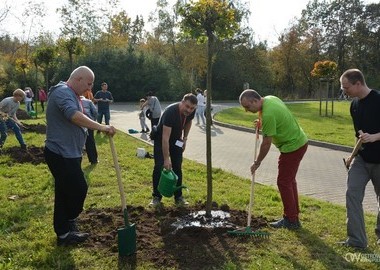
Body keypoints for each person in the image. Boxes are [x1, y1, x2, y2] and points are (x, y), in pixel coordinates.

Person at [44, 66, 116, 246]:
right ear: (78, 79)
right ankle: (69, 220)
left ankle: (63, 233)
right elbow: (74, 116)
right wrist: (101, 127)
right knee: (78, 188)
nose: (90, 89)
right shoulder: (62, 93)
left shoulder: (73, 94)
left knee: (63, 192)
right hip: (60, 153)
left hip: (70, 153)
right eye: (89, 84)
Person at [239, 89, 308, 229]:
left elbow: (266, 143)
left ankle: (291, 220)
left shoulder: (268, 114)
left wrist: (257, 162)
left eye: (247, 106)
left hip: (292, 147)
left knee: (283, 182)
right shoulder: (270, 99)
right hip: (300, 141)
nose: (246, 110)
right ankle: (293, 214)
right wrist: (261, 122)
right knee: (289, 180)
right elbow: (275, 118)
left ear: (254, 101)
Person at [339, 69, 380, 249]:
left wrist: (376, 137)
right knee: (352, 195)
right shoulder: (354, 105)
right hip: (362, 159)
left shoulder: (378, 100)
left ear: (358, 83)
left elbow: (370, 136)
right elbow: (360, 136)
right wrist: (351, 156)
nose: (343, 90)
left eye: (346, 87)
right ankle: (357, 240)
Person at [150, 93, 197, 206]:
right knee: (159, 166)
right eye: (187, 106)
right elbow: (165, 139)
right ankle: (156, 197)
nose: (189, 110)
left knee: (177, 166)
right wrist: (166, 159)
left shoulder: (191, 112)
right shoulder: (170, 112)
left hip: (176, 139)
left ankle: (178, 197)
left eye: (192, 108)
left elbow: (188, 122)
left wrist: (184, 139)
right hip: (161, 139)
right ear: (182, 102)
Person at [81, 95, 98, 164]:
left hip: (76, 124)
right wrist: (93, 121)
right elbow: (95, 112)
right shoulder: (88, 101)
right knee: (90, 141)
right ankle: (93, 160)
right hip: (88, 124)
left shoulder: (72, 101)